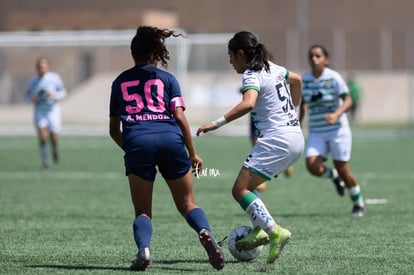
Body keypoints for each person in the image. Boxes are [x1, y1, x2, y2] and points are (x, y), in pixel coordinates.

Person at [109, 26, 224, 271]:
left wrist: (131, 148)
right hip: (171, 139)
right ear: (155, 53)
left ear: (133, 53)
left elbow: (113, 130)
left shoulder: (119, 82)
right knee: (188, 204)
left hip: (138, 142)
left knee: (142, 211)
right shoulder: (168, 79)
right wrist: (192, 153)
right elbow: (180, 118)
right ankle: (204, 232)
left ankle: (145, 250)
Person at [197, 31, 304, 264]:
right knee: (248, 187)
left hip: (277, 139)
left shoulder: (251, 73)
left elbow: (248, 103)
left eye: (230, 56)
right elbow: (297, 80)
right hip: (295, 137)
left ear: (241, 54)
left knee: (239, 190)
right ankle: (260, 228)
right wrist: (291, 109)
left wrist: (216, 123)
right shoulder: (273, 68)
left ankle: (274, 232)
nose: (230, 61)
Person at [299, 45, 365, 217]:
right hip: (316, 131)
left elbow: (348, 100)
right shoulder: (304, 79)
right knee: (312, 166)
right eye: (311, 56)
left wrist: (336, 114)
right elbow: (304, 102)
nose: (315, 59)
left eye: (318, 56)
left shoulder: (334, 78)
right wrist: (298, 122)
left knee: (343, 169)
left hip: (337, 130)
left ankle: (358, 203)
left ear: (326, 60)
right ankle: (334, 176)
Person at [24, 57, 67, 169]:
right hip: (40, 111)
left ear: (48, 67)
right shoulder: (33, 81)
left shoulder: (54, 78)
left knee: (53, 136)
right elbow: (26, 96)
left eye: (43, 66)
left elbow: (63, 92)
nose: (41, 69)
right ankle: (46, 161)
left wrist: (54, 95)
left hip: (52, 110)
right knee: (42, 136)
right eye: (39, 67)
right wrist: (32, 98)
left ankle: (54, 149)